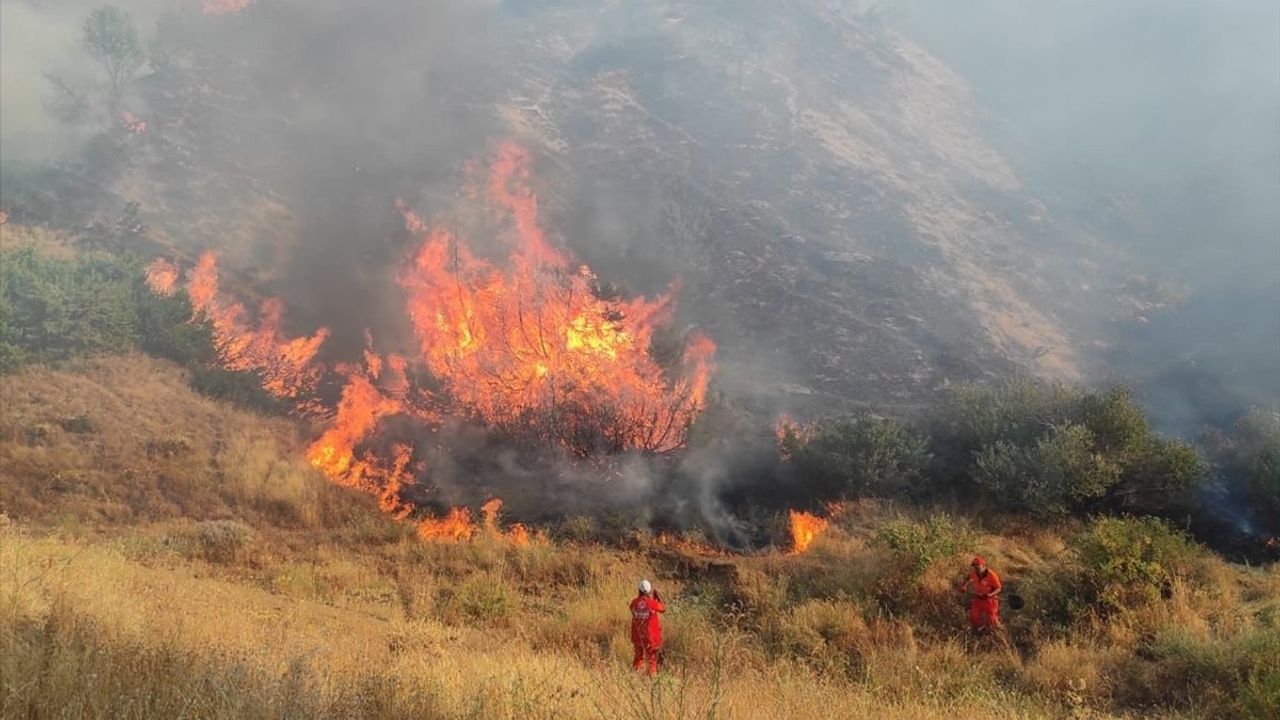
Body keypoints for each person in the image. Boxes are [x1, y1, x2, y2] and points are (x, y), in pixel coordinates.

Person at [956, 556, 1002, 634]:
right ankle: (979, 631)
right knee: (974, 616)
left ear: (983, 565)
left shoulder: (991, 575)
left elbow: (999, 588)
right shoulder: (974, 573)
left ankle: (995, 632)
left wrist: (990, 594)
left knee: (992, 619)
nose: (976, 568)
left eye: (978, 566)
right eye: (974, 566)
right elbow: (968, 577)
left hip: (990, 600)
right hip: (978, 597)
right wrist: (964, 586)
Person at [629, 579, 666, 675]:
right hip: (650, 638)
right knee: (652, 660)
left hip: (637, 636)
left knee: (638, 658)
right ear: (649, 592)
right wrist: (657, 596)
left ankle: (635, 677)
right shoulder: (652, 603)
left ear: (639, 590)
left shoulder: (634, 602)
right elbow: (663, 608)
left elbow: (633, 610)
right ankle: (652, 679)